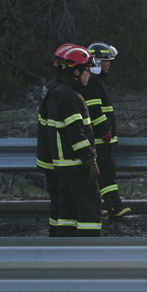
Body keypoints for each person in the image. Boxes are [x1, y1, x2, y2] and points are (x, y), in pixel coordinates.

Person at [43, 45, 102, 236]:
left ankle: (65, 252)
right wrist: (90, 160)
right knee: (90, 208)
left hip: (63, 166)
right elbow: (76, 134)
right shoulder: (71, 97)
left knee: (66, 211)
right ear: (76, 72)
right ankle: (89, 252)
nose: (90, 75)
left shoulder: (58, 92)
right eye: (87, 70)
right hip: (76, 165)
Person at [85, 42, 131, 219]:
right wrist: (105, 131)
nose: (109, 64)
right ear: (97, 62)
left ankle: (101, 207)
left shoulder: (94, 81)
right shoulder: (93, 82)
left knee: (100, 175)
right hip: (100, 140)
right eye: (106, 60)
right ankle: (115, 208)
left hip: (99, 139)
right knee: (106, 174)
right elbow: (95, 110)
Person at [36, 43, 75, 236]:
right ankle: (61, 240)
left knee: (57, 201)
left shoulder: (50, 87)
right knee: (63, 201)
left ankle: (55, 235)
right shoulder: (60, 91)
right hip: (56, 157)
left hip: (47, 154)